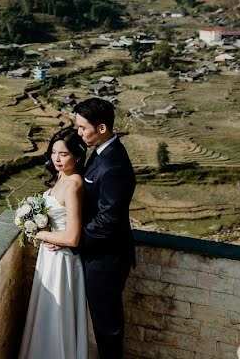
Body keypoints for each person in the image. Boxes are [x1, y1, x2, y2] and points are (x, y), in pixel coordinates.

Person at [18, 127, 88, 359]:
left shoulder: (74, 184)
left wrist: (40, 234)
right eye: (54, 153)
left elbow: (72, 237)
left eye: (64, 154)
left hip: (63, 261)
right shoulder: (61, 176)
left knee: (59, 315)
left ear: (77, 155)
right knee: (46, 313)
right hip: (49, 256)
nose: (57, 159)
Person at [74, 98, 136, 359]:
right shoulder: (101, 152)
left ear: (101, 128)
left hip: (106, 258)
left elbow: (108, 219)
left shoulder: (114, 165)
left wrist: (74, 239)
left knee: (107, 325)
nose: (79, 133)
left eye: (82, 128)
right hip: (99, 255)